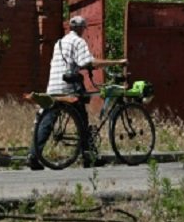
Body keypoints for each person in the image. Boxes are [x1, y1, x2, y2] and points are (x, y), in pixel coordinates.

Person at [29, 14, 126, 169]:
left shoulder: (59, 42)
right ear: (82, 29)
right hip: (69, 87)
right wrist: (115, 62)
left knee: (47, 120)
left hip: (53, 86)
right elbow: (86, 62)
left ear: (70, 27)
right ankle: (89, 155)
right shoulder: (79, 41)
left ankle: (33, 155)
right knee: (82, 117)